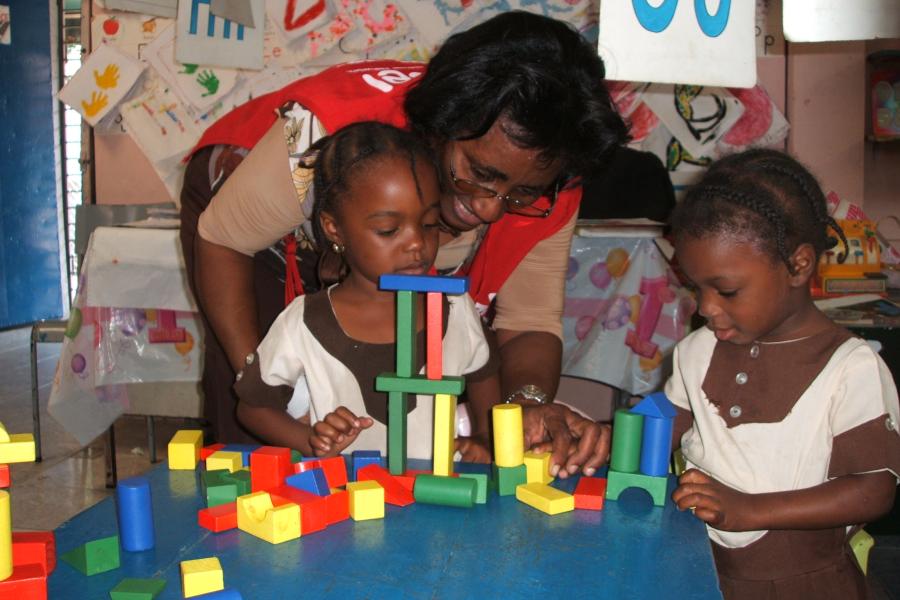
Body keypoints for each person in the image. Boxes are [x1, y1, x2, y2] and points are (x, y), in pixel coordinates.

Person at [181, 11, 629, 478]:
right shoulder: (322, 137)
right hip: (260, 239)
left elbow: (529, 323)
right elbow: (223, 242)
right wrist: (268, 396)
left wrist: (525, 406)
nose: (493, 211)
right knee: (265, 450)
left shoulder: (550, 179)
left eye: (521, 192)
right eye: (479, 174)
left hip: (363, 247)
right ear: (439, 127)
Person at [665, 149, 900, 599]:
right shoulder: (696, 349)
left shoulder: (851, 368)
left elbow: (874, 490)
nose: (706, 307)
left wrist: (750, 510)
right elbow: (669, 419)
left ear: (798, 265)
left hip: (807, 584)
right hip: (706, 574)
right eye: (697, 287)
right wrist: (601, 434)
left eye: (727, 290)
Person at [233, 122, 491, 459]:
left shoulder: (454, 307)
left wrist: (486, 440)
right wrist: (311, 440)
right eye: (388, 230)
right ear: (334, 228)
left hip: (438, 499)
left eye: (429, 224)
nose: (416, 242)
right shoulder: (304, 321)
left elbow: (487, 376)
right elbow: (253, 408)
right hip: (349, 501)